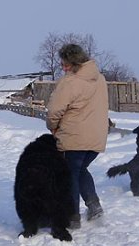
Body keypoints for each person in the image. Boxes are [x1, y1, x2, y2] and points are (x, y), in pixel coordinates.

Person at [46, 43, 109, 229]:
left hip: (74, 137)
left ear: (74, 63)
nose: (63, 68)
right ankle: (94, 206)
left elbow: (54, 111)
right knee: (80, 170)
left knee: (70, 174)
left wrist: (52, 127)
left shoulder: (70, 82)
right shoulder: (100, 79)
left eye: (65, 64)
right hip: (96, 137)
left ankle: (72, 216)